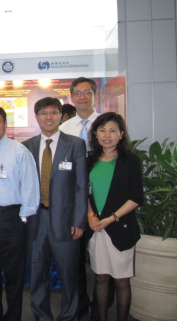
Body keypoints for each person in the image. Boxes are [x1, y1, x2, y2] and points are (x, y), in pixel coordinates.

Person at [23, 97, 87, 321]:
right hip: (35, 222)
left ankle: (69, 316)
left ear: (61, 115)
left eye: (53, 112)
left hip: (66, 222)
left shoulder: (75, 144)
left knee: (69, 276)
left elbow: (81, 187)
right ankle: (42, 316)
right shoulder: (27, 146)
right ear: (36, 116)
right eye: (43, 113)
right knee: (37, 275)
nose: (48, 117)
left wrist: (79, 221)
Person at [0, 105, 39, 321]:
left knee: (14, 275)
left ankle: (13, 317)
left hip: (12, 220)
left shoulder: (19, 151)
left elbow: (30, 187)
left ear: (5, 123)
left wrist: (23, 218)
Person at [86, 112, 143, 321]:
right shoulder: (89, 160)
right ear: (96, 134)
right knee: (100, 278)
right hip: (96, 228)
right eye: (102, 130)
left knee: (121, 281)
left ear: (121, 134)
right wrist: (91, 216)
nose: (106, 135)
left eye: (112, 130)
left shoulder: (130, 160)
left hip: (120, 227)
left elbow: (136, 197)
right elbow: (84, 192)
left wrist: (111, 218)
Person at [59, 77, 103, 319]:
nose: (83, 97)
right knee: (75, 259)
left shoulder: (106, 124)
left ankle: (102, 305)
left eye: (87, 92)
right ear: (71, 97)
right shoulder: (64, 129)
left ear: (94, 95)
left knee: (101, 258)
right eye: (78, 93)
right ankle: (80, 303)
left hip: (102, 200)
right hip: (74, 202)